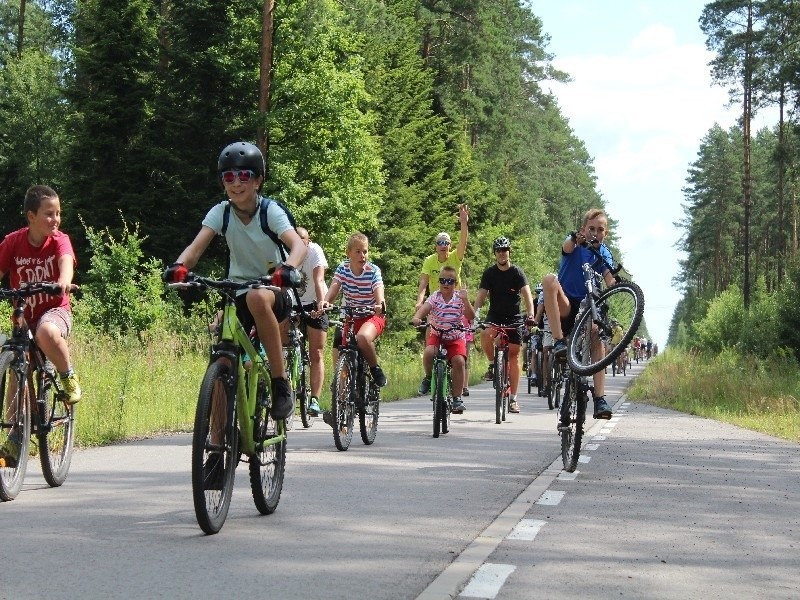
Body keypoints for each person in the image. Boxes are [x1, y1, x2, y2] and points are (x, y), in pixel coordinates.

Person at [162, 141, 306, 421]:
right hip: (237, 292)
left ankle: (280, 384)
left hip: (273, 290)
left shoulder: (270, 211)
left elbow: (297, 246)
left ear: (258, 180)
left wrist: (288, 268)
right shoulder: (221, 212)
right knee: (223, 362)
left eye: (244, 176)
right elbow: (195, 249)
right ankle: (215, 450)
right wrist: (180, 267)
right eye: (229, 177)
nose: (236, 183)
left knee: (256, 296)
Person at [0, 185, 81, 467]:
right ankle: (14, 434)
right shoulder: (13, 242)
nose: (55, 219)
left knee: (47, 331)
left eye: (58, 213)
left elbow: (66, 261)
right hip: (24, 317)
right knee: (15, 369)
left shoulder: (59, 240)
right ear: (30, 216)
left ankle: (68, 376)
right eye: (49, 214)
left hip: (55, 312)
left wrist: (63, 279)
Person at [542, 208, 616, 420]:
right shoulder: (574, 243)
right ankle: (559, 342)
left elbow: (610, 278)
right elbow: (566, 246)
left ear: (605, 233)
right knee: (548, 280)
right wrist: (575, 238)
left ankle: (600, 399)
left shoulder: (604, 252)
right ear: (583, 229)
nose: (595, 233)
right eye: (591, 228)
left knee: (596, 336)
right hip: (567, 302)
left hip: (591, 304)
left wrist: (617, 283)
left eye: (600, 229)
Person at [316, 232, 387, 427]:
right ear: (349, 253)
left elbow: (378, 292)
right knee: (341, 355)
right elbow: (333, 289)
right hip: (351, 317)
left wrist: (380, 304)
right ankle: (340, 408)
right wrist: (324, 303)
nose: (363, 256)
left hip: (373, 316)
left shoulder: (373, 271)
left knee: (363, 337)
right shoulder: (343, 269)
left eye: (365, 252)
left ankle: (375, 369)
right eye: (358, 251)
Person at [473, 236, 535, 414]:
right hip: (495, 315)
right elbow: (482, 295)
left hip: (514, 317)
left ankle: (514, 399)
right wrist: (475, 313)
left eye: (505, 250)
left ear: (509, 252)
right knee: (485, 334)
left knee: (515, 356)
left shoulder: (517, 272)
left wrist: (530, 314)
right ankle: (493, 364)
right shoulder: (490, 273)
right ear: (495, 253)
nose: (502, 253)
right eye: (499, 250)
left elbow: (527, 296)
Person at [412, 265, 476, 413]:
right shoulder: (435, 296)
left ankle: (456, 398)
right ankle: (428, 378)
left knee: (459, 361)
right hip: (438, 335)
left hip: (455, 337)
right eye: (442, 280)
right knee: (429, 352)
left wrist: (466, 300)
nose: (446, 284)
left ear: (455, 283)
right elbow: (425, 308)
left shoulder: (460, 298)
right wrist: (417, 317)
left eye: (450, 281)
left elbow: (471, 316)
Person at [294, 227, 329, 416]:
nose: (299, 243)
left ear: (308, 241)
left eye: (303, 240)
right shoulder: (285, 251)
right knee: (284, 346)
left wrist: (321, 304)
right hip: (292, 303)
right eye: (296, 239)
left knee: (316, 353)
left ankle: (314, 399)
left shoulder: (315, 251)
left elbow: (318, 279)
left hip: (315, 301)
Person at [415, 204, 469, 312]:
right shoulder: (429, 260)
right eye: (440, 243)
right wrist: (419, 302)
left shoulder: (456, 257)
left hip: (455, 302)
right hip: (436, 303)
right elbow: (423, 283)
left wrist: (463, 223)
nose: (443, 245)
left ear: (450, 246)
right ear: (436, 246)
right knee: (430, 328)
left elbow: (463, 241)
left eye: (446, 243)